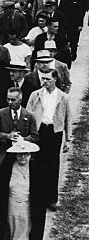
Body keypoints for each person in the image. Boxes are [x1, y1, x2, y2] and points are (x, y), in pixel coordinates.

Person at [25, 69, 70, 208]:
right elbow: (27, 114)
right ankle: (38, 197)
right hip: (39, 131)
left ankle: (51, 199)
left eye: (48, 79)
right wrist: (27, 134)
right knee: (37, 163)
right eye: (43, 79)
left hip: (55, 132)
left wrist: (68, 139)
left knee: (53, 164)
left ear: (55, 79)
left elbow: (68, 118)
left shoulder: (63, 97)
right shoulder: (36, 95)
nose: (44, 82)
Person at [0, 85, 37, 166]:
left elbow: (35, 136)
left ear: (20, 100)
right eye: (8, 99)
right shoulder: (1, 113)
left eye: (13, 100)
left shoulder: (29, 116)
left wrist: (23, 139)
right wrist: (7, 136)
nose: (10, 102)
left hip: (23, 155)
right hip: (4, 153)